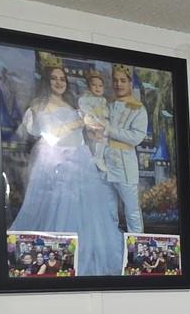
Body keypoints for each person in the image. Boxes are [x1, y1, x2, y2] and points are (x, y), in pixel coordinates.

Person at [11, 55, 123, 277]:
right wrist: (79, 122)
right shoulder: (39, 106)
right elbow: (52, 134)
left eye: (62, 78)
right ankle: (58, 260)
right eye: (54, 78)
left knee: (88, 213)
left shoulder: (72, 105)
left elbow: (81, 133)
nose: (59, 82)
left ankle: (84, 257)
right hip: (55, 161)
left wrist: (94, 131)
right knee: (57, 209)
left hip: (79, 160)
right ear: (47, 80)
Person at [103, 64, 150, 234]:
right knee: (108, 208)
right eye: (115, 80)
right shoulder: (108, 106)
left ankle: (136, 244)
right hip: (105, 162)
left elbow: (136, 137)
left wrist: (109, 130)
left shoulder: (138, 109)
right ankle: (111, 242)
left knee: (131, 209)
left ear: (130, 83)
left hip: (124, 163)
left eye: (123, 80)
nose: (118, 84)